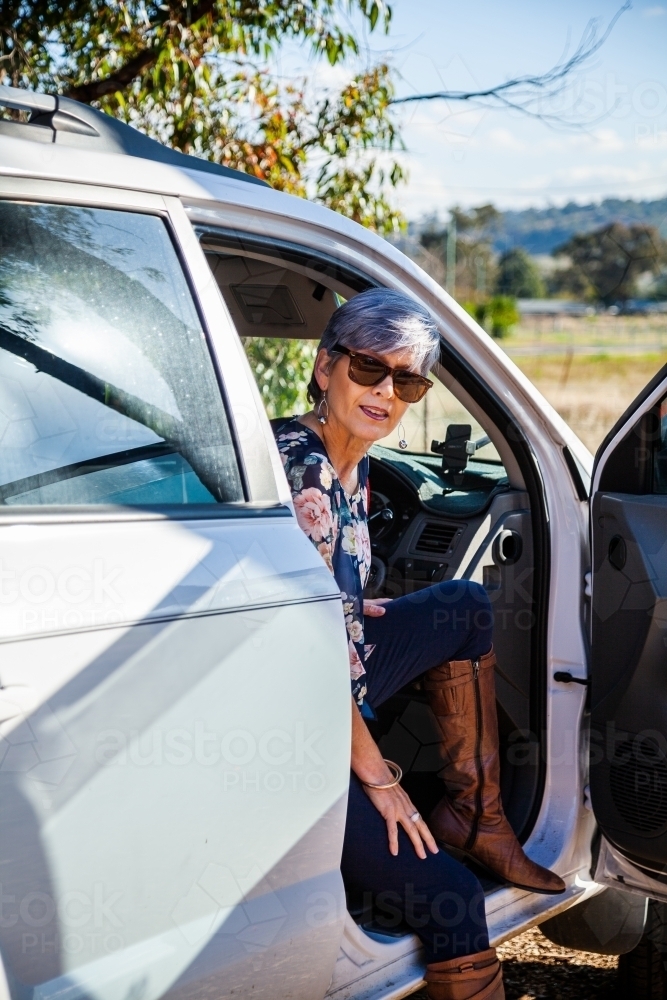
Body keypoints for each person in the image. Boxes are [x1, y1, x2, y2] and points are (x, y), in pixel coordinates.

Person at [274, 289, 564, 1000]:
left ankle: (477, 815)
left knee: (462, 605)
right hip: (284, 723)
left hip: (317, 676)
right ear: (323, 368)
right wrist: (381, 780)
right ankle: (453, 840)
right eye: (369, 368)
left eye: (406, 381)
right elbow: (308, 667)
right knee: (450, 899)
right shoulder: (303, 474)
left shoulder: (355, 463)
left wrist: (350, 605)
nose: (384, 392)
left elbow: (316, 608)